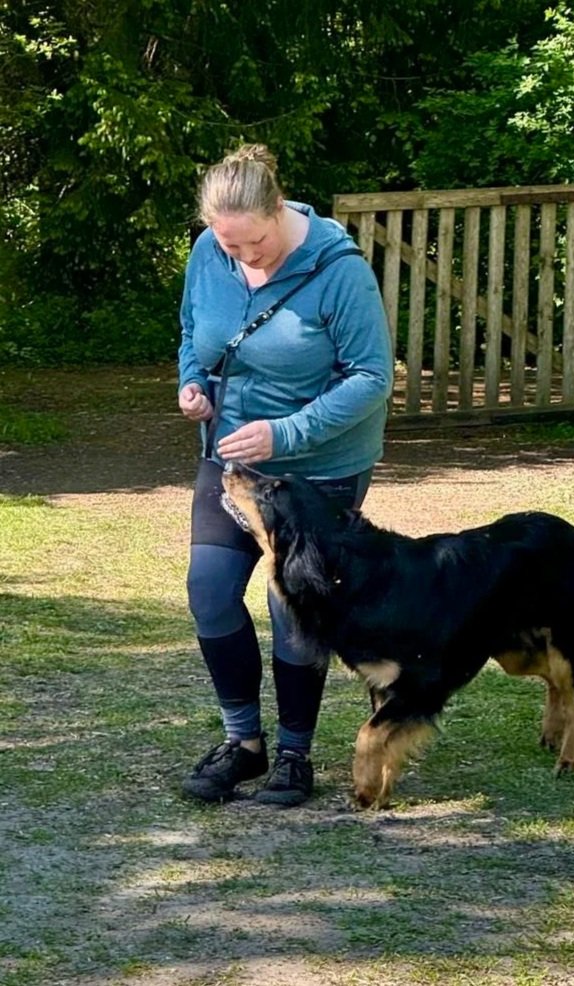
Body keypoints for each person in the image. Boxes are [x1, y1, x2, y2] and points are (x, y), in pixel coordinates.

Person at [177, 143, 393, 807]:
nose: (244, 258)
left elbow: (372, 377)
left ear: (280, 213)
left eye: (255, 244)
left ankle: (294, 754)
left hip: (319, 470)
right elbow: (193, 330)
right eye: (229, 246)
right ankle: (244, 743)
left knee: (292, 609)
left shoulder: (337, 268)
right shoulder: (210, 253)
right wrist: (193, 380)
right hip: (232, 461)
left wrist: (286, 433)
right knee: (210, 592)